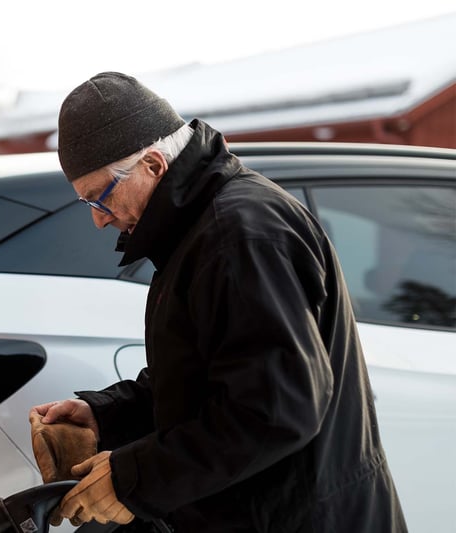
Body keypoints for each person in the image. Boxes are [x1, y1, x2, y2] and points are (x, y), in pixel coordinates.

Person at [29, 71, 407, 532]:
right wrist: (104, 415)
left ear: (153, 165)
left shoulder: (238, 235)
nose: (98, 220)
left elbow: (274, 409)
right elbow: (209, 378)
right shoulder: (199, 232)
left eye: (99, 198)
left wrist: (133, 480)